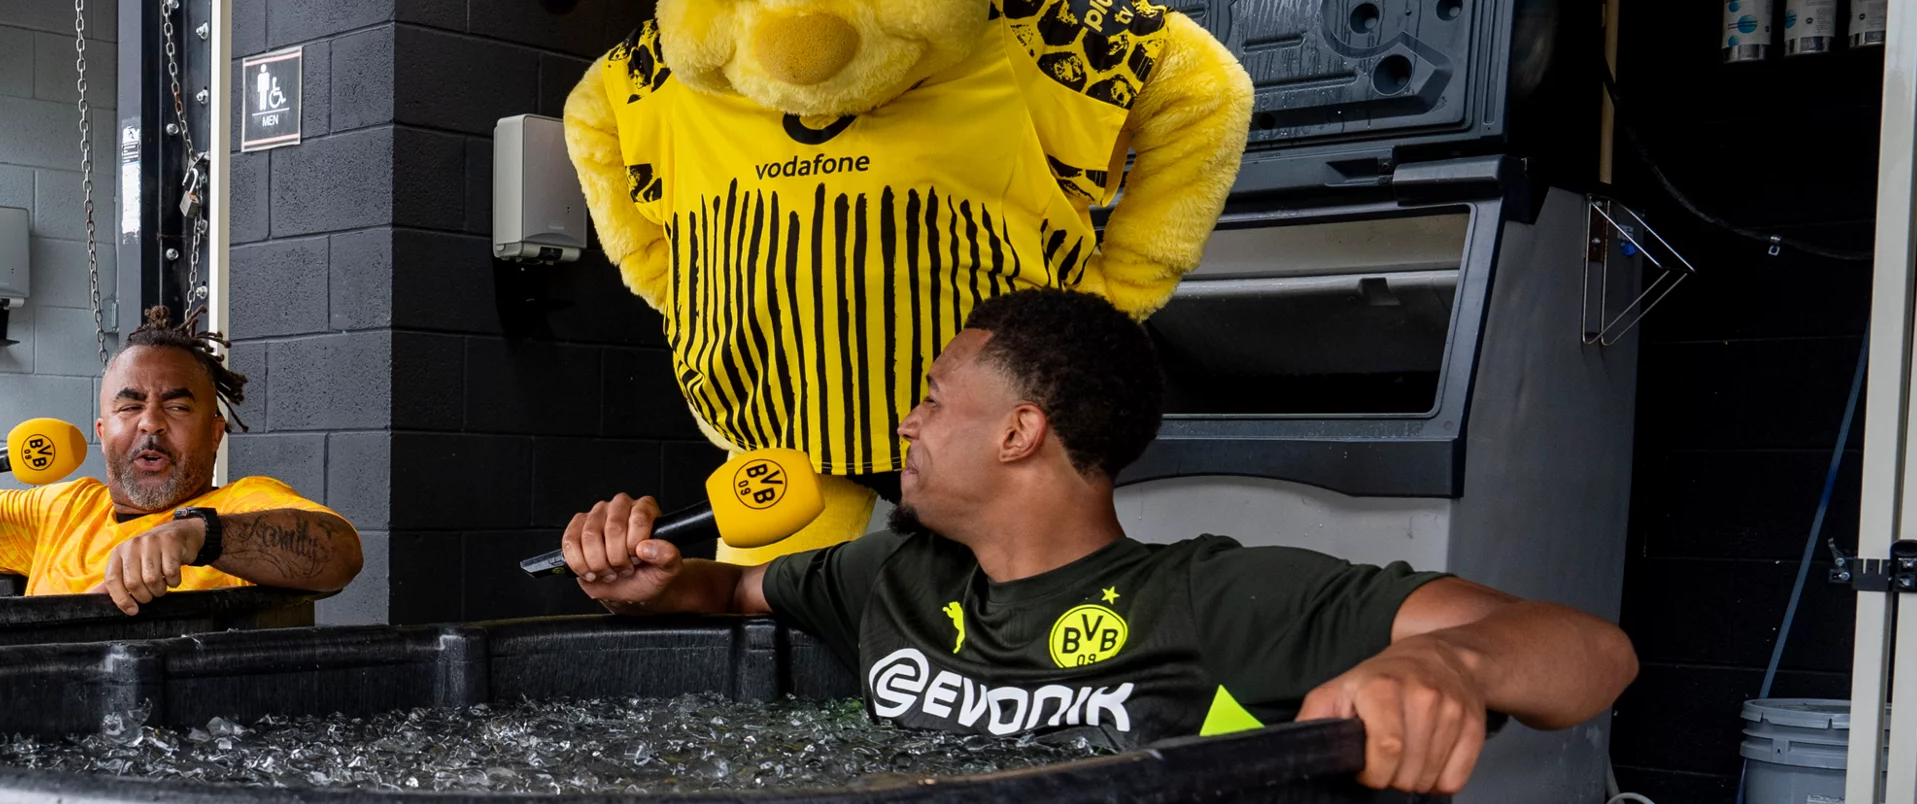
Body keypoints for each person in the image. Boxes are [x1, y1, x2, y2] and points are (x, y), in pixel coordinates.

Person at [556, 290, 1638, 795]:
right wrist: (638, 579)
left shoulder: (1210, 596)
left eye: (932, 396)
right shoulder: (889, 573)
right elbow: (728, 592)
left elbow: (1593, 651)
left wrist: (1445, 665)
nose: (906, 423)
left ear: (1020, 432)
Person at [0, 308, 363, 615]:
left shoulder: (239, 504)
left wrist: (196, 536)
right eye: (129, 407)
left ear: (214, 433)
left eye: (177, 407)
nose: (151, 423)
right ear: (102, 431)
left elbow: (342, 553)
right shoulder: (62, 509)